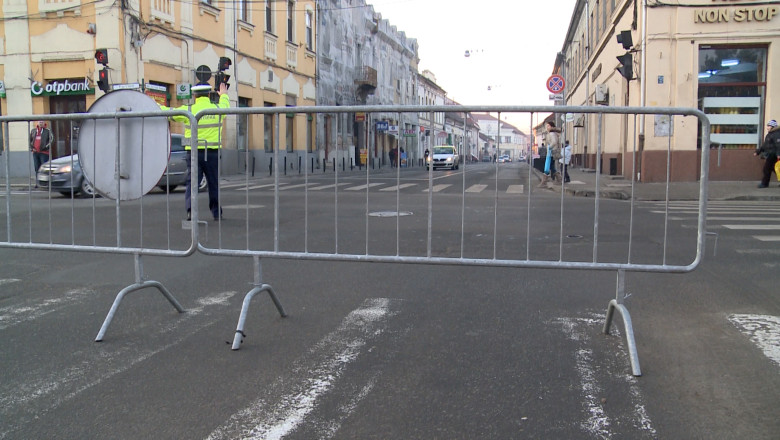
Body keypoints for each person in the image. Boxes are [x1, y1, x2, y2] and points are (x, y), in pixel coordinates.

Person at [161, 81, 230, 220]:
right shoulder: (217, 108)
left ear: (194, 95)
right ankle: (216, 213)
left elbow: (169, 112)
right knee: (213, 183)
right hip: (212, 153)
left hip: (193, 153)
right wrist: (223, 95)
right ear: (209, 94)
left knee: (192, 183)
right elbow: (226, 106)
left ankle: (191, 212)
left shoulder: (189, 110)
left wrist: (151, 105)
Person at [755, 119, 779, 188]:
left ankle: (764, 183)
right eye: (767, 125)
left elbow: (778, 145)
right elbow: (765, 145)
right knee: (774, 169)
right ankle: (765, 183)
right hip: (771, 154)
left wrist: (778, 154)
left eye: (769, 126)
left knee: (766, 169)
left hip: (773, 155)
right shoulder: (770, 134)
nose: (767, 127)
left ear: (772, 126)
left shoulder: (776, 134)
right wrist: (758, 151)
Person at [538, 121, 561, 187]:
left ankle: (544, 182)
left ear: (552, 127)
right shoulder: (552, 133)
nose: (547, 127)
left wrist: (549, 147)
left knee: (547, 167)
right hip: (551, 152)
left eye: (548, 126)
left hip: (551, 152)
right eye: (546, 126)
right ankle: (559, 179)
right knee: (551, 167)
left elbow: (554, 142)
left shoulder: (552, 134)